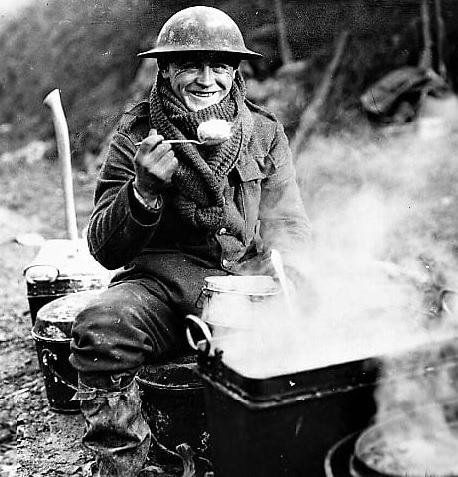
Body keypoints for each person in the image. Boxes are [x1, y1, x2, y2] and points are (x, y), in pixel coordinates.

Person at [69, 5, 311, 477]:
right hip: (163, 292)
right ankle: (129, 466)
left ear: (236, 70)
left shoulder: (263, 132)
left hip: (245, 285)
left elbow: (290, 224)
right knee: (100, 327)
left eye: (219, 65)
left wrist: (289, 277)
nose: (206, 79)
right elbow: (103, 248)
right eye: (189, 66)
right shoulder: (137, 135)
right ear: (164, 70)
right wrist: (142, 192)